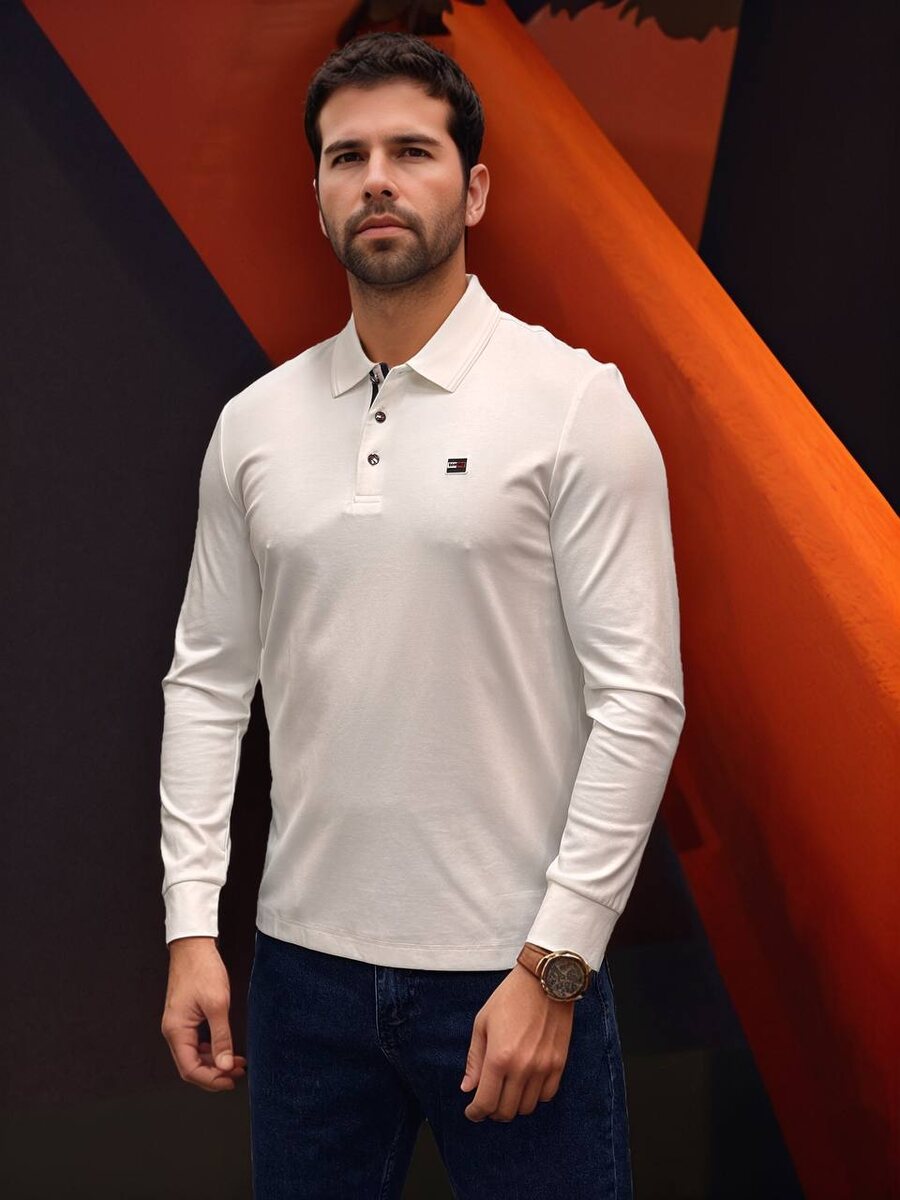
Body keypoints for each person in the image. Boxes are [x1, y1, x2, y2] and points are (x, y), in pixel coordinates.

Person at [159, 30, 685, 1200]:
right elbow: (206, 682)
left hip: (513, 973)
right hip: (303, 982)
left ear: (475, 188)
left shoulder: (575, 407)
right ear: (317, 196)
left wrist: (555, 968)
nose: (378, 180)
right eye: (347, 158)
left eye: (412, 151)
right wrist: (192, 926)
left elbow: (641, 705)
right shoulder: (255, 425)